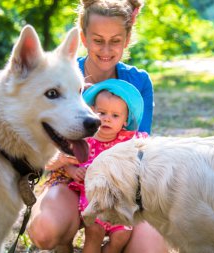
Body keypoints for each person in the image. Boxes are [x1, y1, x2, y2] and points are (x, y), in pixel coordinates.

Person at [28, 0, 169, 252]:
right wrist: (55, 158)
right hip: (72, 180)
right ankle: (64, 241)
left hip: (122, 187)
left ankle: (113, 244)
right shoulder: (62, 76)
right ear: (83, 37)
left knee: (150, 248)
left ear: (126, 40)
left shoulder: (138, 81)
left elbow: (141, 144)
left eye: (115, 40)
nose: (106, 49)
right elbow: (38, 141)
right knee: (44, 231)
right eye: (97, 40)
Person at [48, 79, 147, 253]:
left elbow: (145, 155)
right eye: (102, 113)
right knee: (94, 233)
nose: (107, 119)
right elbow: (67, 164)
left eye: (115, 116)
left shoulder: (128, 141)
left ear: (125, 121)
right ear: (92, 111)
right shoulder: (85, 141)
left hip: (121, 200)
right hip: (93, 200)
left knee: (121, 237)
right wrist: (74, 172)